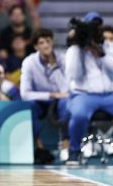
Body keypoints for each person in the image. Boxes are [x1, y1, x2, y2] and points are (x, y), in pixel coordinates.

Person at [65, 12, 113, 164]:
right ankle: (74, 151)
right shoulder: (74, 50)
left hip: (110, 94)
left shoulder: (109, 46)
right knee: (78, 115)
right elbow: (75, 75)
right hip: (84, 96)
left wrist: (101, 54)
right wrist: (80, 49)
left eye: (97, 27)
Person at [20, 28, 70, 162]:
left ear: (52, 42)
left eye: (48, 41)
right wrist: (50, 95)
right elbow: (25, 93)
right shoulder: (29, 62)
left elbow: (66, 90)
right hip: (41, 99)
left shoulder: (64, 59)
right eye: (41, 43)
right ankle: (38, 147)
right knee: (28, 106)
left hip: (61, 100)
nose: (46, 45)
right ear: (36, 47)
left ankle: (65, 144)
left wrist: (54, 67)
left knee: (67, 103)